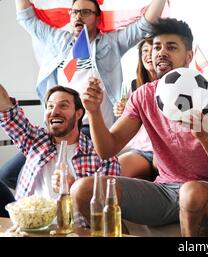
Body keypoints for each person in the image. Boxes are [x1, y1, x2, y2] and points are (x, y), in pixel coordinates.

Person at [71, 18, 208, 237]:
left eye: (171, 47)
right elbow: (107, 150)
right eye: (157, 47)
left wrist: (203, 134)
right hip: (164, 190)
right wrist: (93, 112)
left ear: (188, 56)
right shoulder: (143, 95)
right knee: (82, 190)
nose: (161, 52)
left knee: (192, 191)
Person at [0, 0, 165, 194]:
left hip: (90, 128)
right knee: (7, 174)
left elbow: (144, 24)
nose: (78, 16)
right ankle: (27, 213)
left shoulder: (111, 43)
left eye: (85, 12)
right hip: (58, 124)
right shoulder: (59, 40)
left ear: (97, 18)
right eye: (74, 12)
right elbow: (26, 18)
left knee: (62, 179)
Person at [0, 84, 120, 200]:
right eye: (50, 106)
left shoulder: (103, 157)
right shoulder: (35, 140)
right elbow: (6, 109)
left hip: (73, 220)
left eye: (63, 106)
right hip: (27, 218)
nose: (54, 112)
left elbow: (107, 205)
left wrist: (74, 188)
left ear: (78, 114)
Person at [114, 37, 158, 180]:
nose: (148, 54)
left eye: (154, 49)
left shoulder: (175, 84)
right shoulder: (133, 86)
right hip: (141, 149)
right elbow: (126, 121)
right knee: (115, 171)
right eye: (145, 50)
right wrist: (121, 112)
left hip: (167, 152)